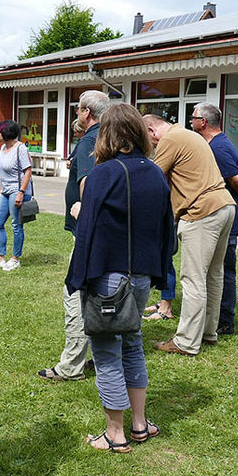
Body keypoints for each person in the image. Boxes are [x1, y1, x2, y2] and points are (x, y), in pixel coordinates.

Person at [65, 104, 172, 452]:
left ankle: (115, 432)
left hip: (108, 278)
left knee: (107, 351)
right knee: (132, 345)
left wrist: (77, 277)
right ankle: (140, 424)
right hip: (140, 278)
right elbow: (165, 231)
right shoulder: (155, 173)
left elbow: (89, 233)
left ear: (107, 134)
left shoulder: (101, 174)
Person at [142, 113, 235, 356]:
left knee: (193, 279)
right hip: (224, 206)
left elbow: (151, 177)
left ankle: (185, 342)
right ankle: (207, 333)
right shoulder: (189, 135)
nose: (152, 147)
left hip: (201, 211)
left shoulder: (170, 140)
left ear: (152, 131)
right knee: (213, 276)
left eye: (150, 142)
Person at [38, 90, 109, 381]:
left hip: (88, 232)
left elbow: (88, 184)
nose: (76, 115)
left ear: (87, 113)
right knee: (97, 294)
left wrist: (86, 215)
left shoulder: (90, 140)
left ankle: (71, 366)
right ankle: (97, 355)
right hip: (105, 233)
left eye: (78, 110)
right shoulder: (109, 138)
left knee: (75, 293)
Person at [190, 102, 238, 335]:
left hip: (227, 217)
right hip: (222, 214)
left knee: (223, 269)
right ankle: (215, 314)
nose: (191, 122)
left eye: (193, 118)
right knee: (215, 268)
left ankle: (225, 320)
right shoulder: (213, 144)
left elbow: (237, 180)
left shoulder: (218, 147)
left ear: (204, 122)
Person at [0, 120, 32, 272]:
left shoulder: (20, 148)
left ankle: (15, 258)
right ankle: (0, 257)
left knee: (16, 225)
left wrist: (21, 192)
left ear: (6, 132)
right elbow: (3, 172)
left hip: (16, 190)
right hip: (5, 191)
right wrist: (0, 190)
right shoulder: (3, 148)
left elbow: (27, 171)